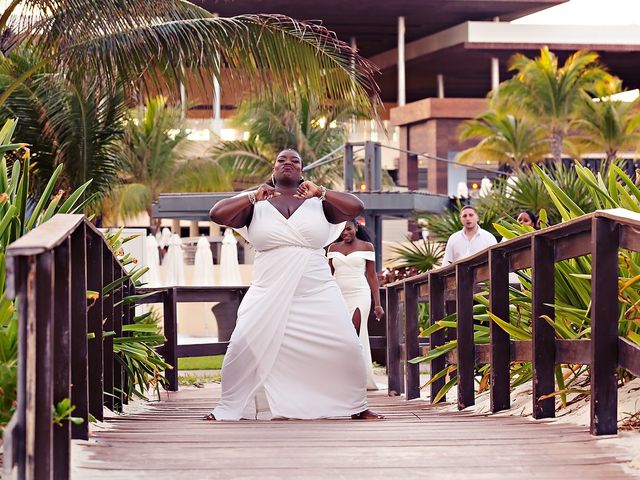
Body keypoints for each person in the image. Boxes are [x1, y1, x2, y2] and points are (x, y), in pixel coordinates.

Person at [205, 149, 382, 421]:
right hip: (268, 288)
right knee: (242, 344)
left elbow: (356, 206)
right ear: (273, 168)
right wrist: (253, 196)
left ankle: (356, 406)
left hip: (316, 289)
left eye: (294, 161)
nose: (288, 163)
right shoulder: (256, 203)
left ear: (302, 170)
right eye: (281, 160)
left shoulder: (318, 201)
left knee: (347, 344)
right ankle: (229, 406)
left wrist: (320, 192)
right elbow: (217, 214)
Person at [328, 220, 384, 391]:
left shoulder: (367, 247)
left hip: (360, 293)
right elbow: (328, 275)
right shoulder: (333, 248)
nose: (345, 233)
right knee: (341, 334)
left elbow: (372, 276)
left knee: (355, 329)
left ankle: (358, 376)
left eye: (349, 229)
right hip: (338, 295)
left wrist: (378, 304)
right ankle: (343, 375)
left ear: (356, 228)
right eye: (342, 230)